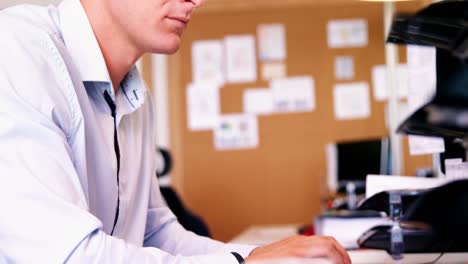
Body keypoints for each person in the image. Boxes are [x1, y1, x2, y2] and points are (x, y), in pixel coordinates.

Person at [0, 0, 351, 263]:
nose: (196, 1)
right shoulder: (18, 53)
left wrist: (266, 255)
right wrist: (246, 261)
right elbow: (71, 256)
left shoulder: (137, 96)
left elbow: (156, 234)